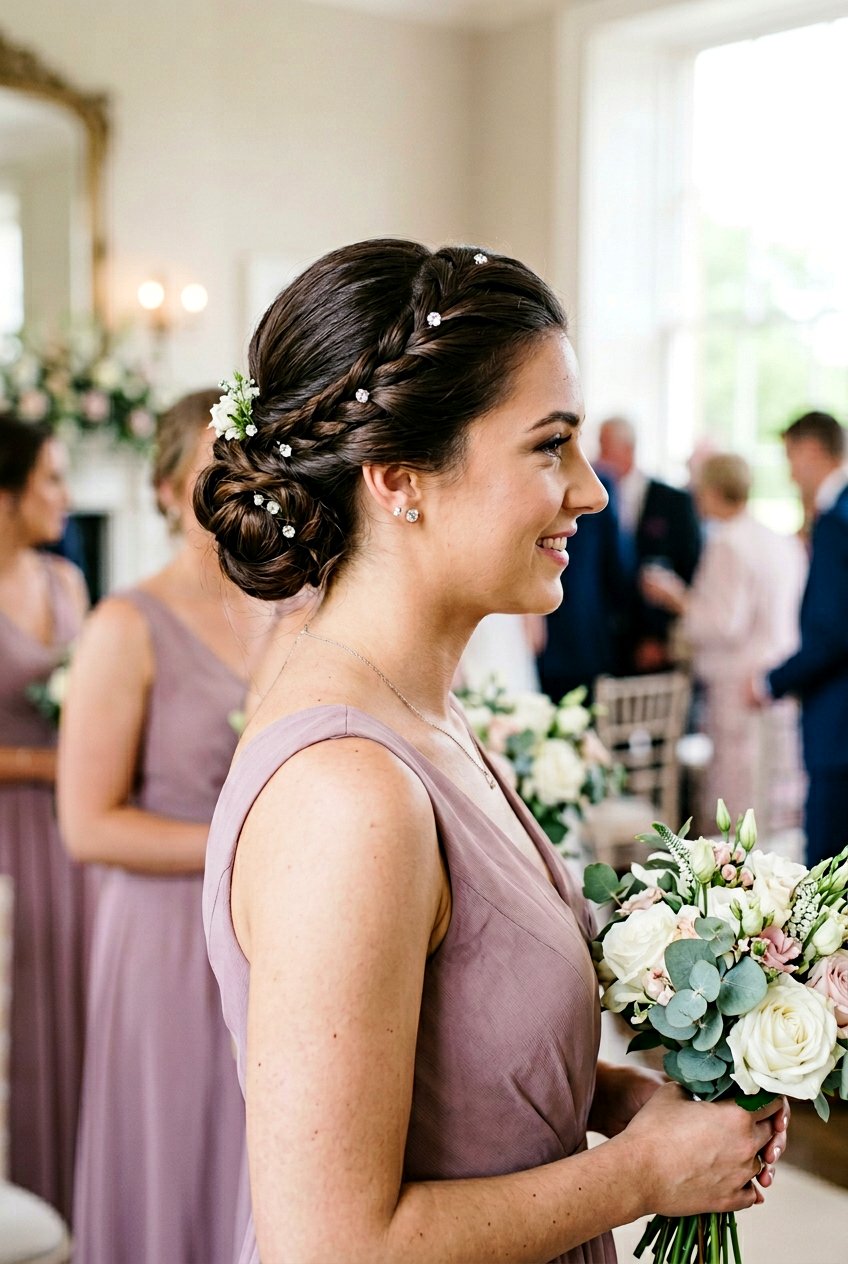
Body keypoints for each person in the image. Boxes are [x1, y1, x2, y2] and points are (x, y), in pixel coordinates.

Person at [195, 240, 787, 1264]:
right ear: (398, 479)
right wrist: (640, 1175)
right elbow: (332, 1246)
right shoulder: (347, 795)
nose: (591, 492)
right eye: (548, 444)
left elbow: (452, 1050)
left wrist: (620, 1099)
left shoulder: (425, 711)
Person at [58, 390, 280, 1264]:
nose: (238, 492)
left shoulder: (292, 611)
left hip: (271, 934)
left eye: (251, 470)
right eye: (210, 474)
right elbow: (87, 826)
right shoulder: (126, 625)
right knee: (176, 1150)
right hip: (162, 936)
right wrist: (249, 853)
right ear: (161, 490)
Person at [0, 414, 89, 1219]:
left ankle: (68, 1195)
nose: (65, 495)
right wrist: (44, 766)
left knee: (67, 1012)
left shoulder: (66, 583)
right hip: (4, 832)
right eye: (51, 479)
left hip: (71, 836)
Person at [641, 453, 806, 835]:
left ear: (713, 490)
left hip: (737, 681)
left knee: (734, 794)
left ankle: (732, 884)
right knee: (771, 791)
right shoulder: (778, 539)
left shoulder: (728, 543)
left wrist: (675, 597)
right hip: (775, 678)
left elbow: (722, 622)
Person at [757, 411, 848, 868]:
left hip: (839, 729)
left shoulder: (837, 519)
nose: (791, 473)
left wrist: (771, 681)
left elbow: (833, 632)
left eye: (791, 457)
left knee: (828, 877)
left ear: (812, 452)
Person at [597, 416, 701, 672]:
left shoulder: (673, 500)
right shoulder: (594, 500)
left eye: (605, 446)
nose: (598, 456)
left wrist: (660, 637)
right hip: (605, 640)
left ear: (628, 449)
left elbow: (690, 568)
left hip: (654, 640)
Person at [537, 469, 634, 701]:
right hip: (579, 632)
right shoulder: (602, 482)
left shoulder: (598, 485)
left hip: (573, 636)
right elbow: (618, 567)